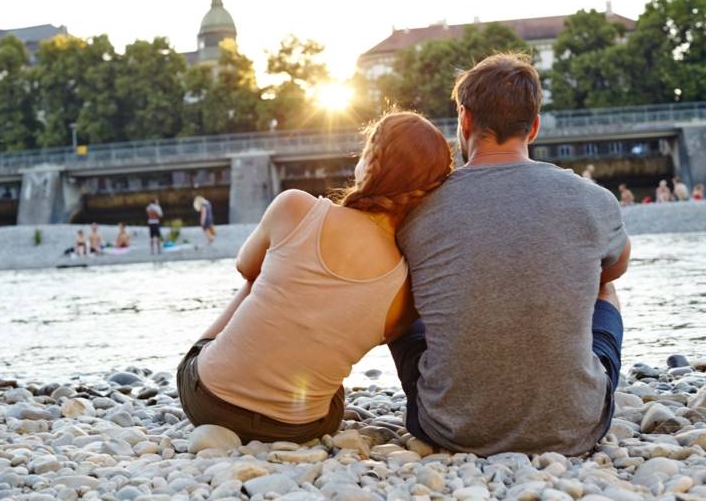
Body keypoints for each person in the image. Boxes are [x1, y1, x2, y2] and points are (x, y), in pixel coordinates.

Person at [393, 53, 630, 456]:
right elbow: (615, 269)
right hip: (575, 425)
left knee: (401, 307)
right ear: (533, 127)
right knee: (602, 287)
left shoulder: (417, 209)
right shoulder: (593, 199)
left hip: (448, 427)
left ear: (464, 119)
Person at [177, 112, 453, 443]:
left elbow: (245, 267)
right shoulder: (405, 292)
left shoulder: (295, 207)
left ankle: (226, 366)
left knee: (262, 273)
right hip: (300, 426)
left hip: (208, 401)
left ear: (369, 161)